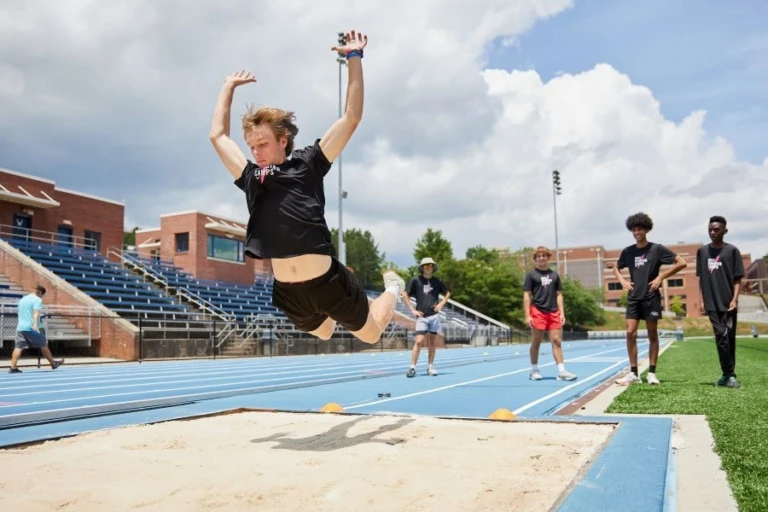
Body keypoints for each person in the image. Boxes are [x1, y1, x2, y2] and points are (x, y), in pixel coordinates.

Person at [208, 31, 405, 344]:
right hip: (289, 291)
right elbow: (218, 136)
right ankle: (359, 296)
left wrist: (354, 57)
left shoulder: (308, 163)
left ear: (283, 141)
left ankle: (393, 288)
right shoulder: (251, 178)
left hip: (326, 281)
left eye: (262, 143)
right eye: (251, 146)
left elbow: (351, 118)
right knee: (324, 332)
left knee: (369, 334)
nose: (255, 151)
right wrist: (227, 86)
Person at [613, 212, 687, 386]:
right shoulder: (628, 251)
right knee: (630, 333)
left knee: (652, 334)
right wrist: (623, 281)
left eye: (640, 228)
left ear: (646, 229)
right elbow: (616, 268)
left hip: (651, 297)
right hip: (633, 298)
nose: (637, 232)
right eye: (634, 229)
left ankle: (652, 373)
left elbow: (682, 262)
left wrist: (662, 276)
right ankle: (633, 374)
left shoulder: (657, 249)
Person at [696, 216, 744, 388]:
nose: (712, 232)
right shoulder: (702, 252)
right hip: (711, 304)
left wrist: (734, 299)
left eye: (716, 229)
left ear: (725, 231)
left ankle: (728, 375)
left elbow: (738, 279)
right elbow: (701, 279)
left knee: (729, 339)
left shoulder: (732, 251)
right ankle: (729, 375)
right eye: (710, 229)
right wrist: (701, 301)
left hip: (729, 303)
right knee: (721, 336)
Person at [523, 247, 577, 381]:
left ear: (548, 258)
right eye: (539, 256)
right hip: (537, 311)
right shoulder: (531, 275)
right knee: (537, 341)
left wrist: (562, 313)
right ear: (536, 258)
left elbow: (559, 295)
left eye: (544, 256)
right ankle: (534, 370)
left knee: (556, 341)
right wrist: (527, 315)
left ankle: (562, 371)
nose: (541, 258)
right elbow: (527, 295)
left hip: (553, 312)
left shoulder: (554, 275)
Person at [402, 257, 451, 377]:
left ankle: (430, 367)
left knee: (432, 342)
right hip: (422, 316)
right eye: (425, 265)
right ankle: (412, 368)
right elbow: (404, 294)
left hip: (434, 316)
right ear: (422, 267)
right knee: (418, 341)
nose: (428, 267)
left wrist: (441, 303)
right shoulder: (415, 280)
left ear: (433, 267)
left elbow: (448, 293)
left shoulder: (438, 281)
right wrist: (413, 310)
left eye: (430, 265)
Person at [8, 285, 64, 373]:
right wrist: (35, 324)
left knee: (18, 347)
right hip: (32, 328)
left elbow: (23, 312)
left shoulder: (23, 299)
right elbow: (36, 312)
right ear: (40, 293)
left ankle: (13, 367)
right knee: (43, 345)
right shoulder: (37, 300)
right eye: (43, 295)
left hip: (21, 327)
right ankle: (53, 364)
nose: (42, 297)